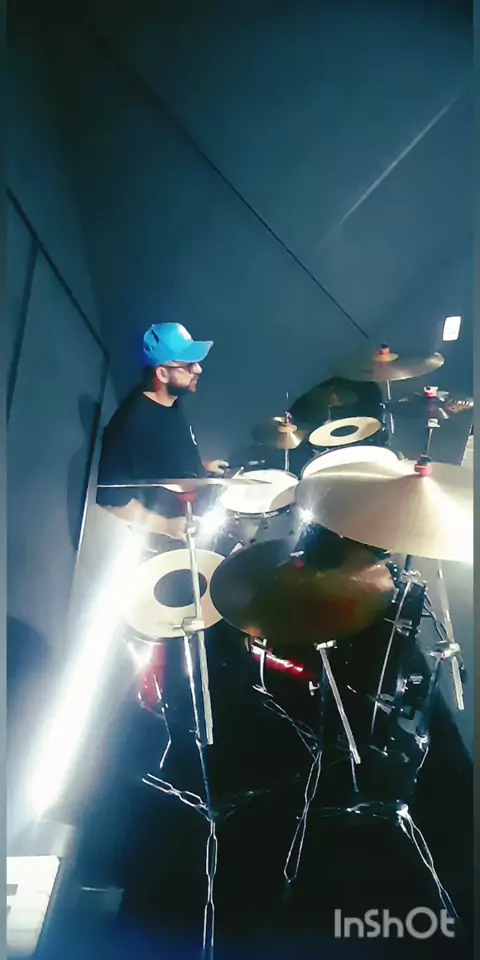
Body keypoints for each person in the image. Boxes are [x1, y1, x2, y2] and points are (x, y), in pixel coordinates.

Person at [96, 322, 228, 539]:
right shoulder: (131, 425)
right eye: (189, 365)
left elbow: (168, 452)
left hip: (191, 506)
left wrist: (201, 466)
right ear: (162, 374)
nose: (198, 369)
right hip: (168, 532)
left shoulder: (170, 399)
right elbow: (110, 499)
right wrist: (165, 527)